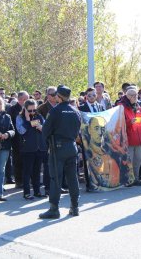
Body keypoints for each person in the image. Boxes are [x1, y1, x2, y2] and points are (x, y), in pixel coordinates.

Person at [39, 85, 81, 219]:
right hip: (71, 146)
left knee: (55, 179)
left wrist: (48, 143)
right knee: (72, 178)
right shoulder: (75, 111)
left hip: (58, 148)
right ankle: (74, 207)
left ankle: (54, 209)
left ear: (59, 96)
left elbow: (45, 131)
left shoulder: (55, 111)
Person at [15, 99, 48, 200]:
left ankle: (37, 191)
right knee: (27, 171)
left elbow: (46, 128)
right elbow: (21, 131)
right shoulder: (20, 117)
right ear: (25, 109)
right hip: (27, 148)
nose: (32, 112)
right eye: (30, 110)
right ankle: (26, 193)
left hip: (39, 147)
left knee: (37, 171)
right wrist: (28, 120)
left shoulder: (39, 116)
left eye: (34, 110)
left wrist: (41, 127)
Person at [118, 87, 141, 186]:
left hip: (138, 138)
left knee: (138, 159)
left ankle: (136, 178)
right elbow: (118, 123)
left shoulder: (138, 106)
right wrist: (130, 122)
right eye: (133, 95)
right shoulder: (121, 107)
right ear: (127, 96)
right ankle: (128, 180)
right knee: (128, 160)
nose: (135, 97)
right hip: (128, 139)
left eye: (136, 95)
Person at [78, 87, 104, 191]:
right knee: (88, 161)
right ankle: (89, 184)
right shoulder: (81, 108)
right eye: (89, 95)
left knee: (99, 160)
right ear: (86, 96)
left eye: (94, 95)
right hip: (87, 139)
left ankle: (100, 182)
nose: (92, 97)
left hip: (99, 138)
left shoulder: (100, 107)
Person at [7, 91, 29, 188]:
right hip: (17, 140)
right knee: (18, 161)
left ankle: (27, 180)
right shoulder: (12, 109)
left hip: (28, 139)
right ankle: (19, 181)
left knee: (27, 161)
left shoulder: (29, 109)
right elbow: (10, 125)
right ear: (21, 99)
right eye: (26, 99)